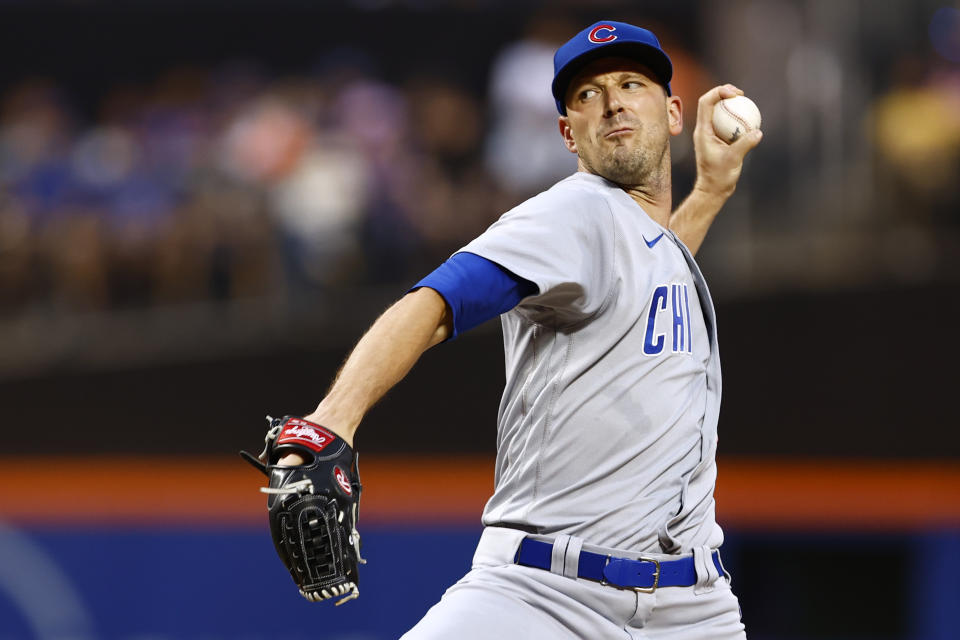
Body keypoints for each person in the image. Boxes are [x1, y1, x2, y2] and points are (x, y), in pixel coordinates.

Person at [281, 20, 761, 638]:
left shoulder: (648, 244)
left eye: (630, 83)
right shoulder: (576, 210)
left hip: (693, 609)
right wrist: (331, 421)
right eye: (587, 94)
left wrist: (712, 190)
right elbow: (435, 301)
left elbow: (647, 276)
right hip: (544, 598)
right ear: (569, 134)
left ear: (672, 112)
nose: (611, 100)